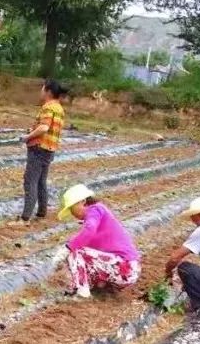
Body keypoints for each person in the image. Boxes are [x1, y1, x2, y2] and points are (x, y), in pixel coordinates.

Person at [50, 184, 141, 299]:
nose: (72, 214)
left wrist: (67, 248)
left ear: (82, 202)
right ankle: (94, 287)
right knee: (82, 258)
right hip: (127, 269)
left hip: (126, 267)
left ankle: (82, 294)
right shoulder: (97, 216)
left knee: (76, 252)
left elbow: (88, 230)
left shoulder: (96, 209)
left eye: (72, 209)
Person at [19, 79, 68, 221]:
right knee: (41, 181)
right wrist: (34, 129)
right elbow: (49, 128)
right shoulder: (59, 108)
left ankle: (25, 216)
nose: (41, 91)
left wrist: (27, 136)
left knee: (30, 180)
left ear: (48, 92)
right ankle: (41, 211)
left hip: (39, 148)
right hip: (50, 148)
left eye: (42, 88)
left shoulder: (48, 107)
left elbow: (44, 127)